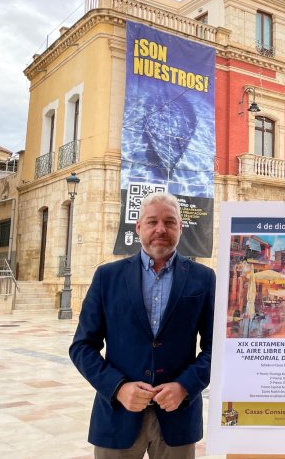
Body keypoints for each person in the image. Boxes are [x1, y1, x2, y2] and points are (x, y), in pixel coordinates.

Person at [70, 192, 215, 459]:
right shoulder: (107, 277)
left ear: (181, 228)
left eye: (170, 222)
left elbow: (215, 348)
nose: (160, 229)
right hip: (117, 417)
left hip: (177, 418)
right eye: (152, 222)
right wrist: (118, 387)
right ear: (138, 227)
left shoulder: (203, 279)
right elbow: (82, 347)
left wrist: (184, 386)